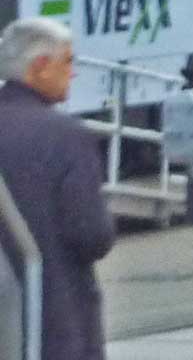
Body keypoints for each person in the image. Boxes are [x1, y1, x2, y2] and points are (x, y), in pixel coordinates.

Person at [0, 19, 114, 360]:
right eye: (67, 61)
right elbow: (91, 234)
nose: (73, 72)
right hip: (55, 316)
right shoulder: (66, 136)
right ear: (40, 67)